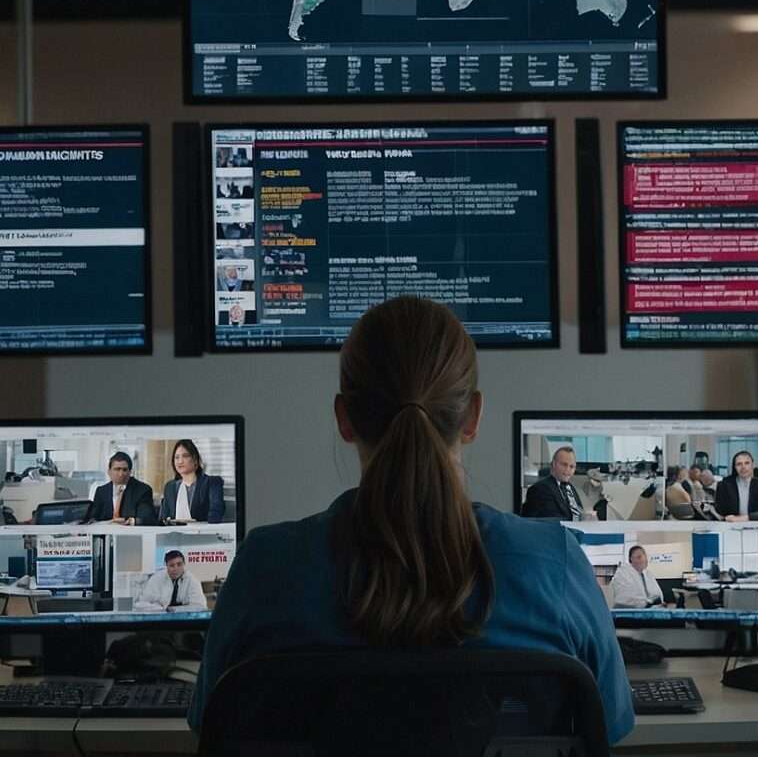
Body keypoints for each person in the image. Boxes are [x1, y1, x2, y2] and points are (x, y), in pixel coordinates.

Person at [188, 297, 633, 743]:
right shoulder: (556, 563)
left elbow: (210, 723)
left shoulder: (263, 569)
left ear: (344, 419)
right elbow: (609, 724)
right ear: (472, 417)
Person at [159, 439, 225, 524]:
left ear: (195, 459)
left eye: (185, 456)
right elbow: (162, 519)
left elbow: (216, 514)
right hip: (175, 535)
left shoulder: (212, 482)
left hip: (204, 534)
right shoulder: (170, 487)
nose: (180, 461)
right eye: (177, 457)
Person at [521, 445, 590, 520]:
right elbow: (546, 520)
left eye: (572, 466)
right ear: (553, 464)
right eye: (564, 465)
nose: (568, 470)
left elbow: (578, 512)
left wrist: (585, 517)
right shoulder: (539, 489)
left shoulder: (570, 487)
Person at [88, 452, 157, 526]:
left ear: (130, 472)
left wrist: (129, 521)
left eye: (124, 470)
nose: (121, 474)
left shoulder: (143, 490)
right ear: (109, 472)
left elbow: (147, 518)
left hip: (131, 534)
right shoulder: (101, 491)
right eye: (117, 469)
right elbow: (93, 518)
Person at [135, 550, 208, 612]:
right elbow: (140, 604)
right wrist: (162, 608)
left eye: (179, 564)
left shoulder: (192, 580)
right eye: (172, 565)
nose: (176, 568)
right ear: (166, 566)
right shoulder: (156, 579)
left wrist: (175, 609)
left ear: (184, 564)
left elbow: (201, 606)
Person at [714, 451, 758, 522]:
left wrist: (746, 518)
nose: (743, 467)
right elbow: (720, 511)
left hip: (756, 525)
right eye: (739, 464)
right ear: (734, 467)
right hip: (730, 525)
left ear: (753, 465)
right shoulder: (724, 485)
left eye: (747, 463)